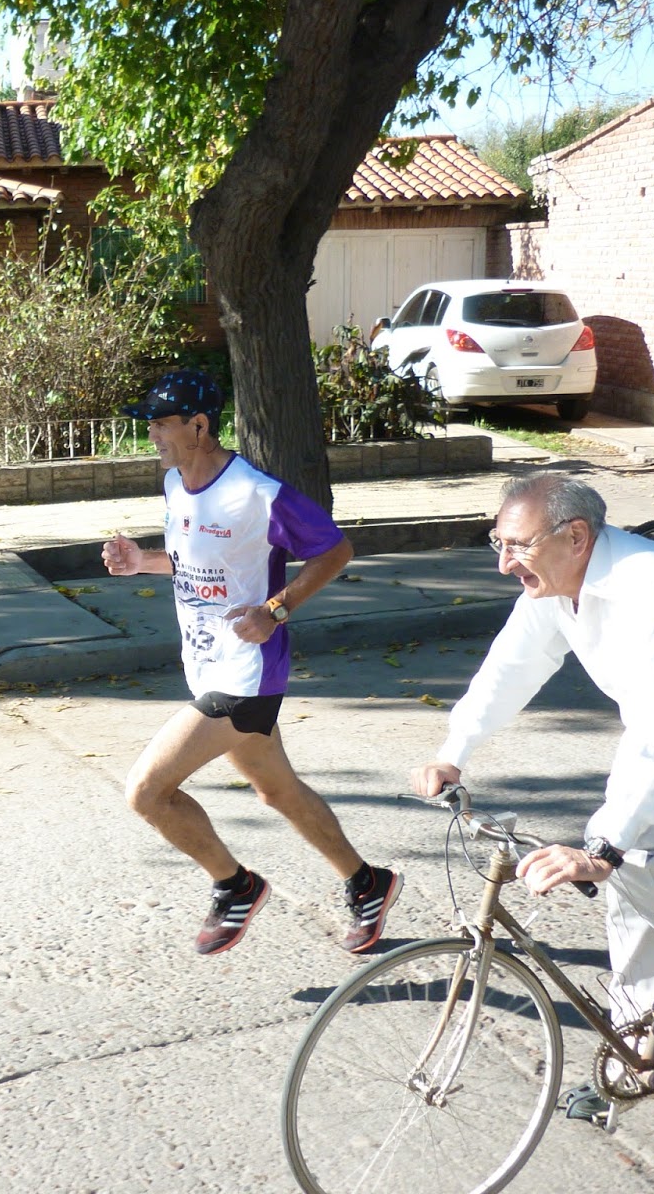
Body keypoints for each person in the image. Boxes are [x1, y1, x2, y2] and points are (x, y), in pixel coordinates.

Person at [409, 474, 654, 1114]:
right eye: (497, 542)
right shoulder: (554, 586)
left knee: (623, 839)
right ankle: (634, 1055)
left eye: (517, 545)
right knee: (625, 872)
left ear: (575, 536)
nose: (503, 563)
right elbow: (510, 667)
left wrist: (605, 846)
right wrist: (453, 752)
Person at [102, 369, 401, 957]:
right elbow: (195, 561)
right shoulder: (174, 483)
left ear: (199, 426)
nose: (152, 435)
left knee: (146, 792)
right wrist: (142, 561)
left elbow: (335, 550)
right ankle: (368, 883)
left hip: (247, 675)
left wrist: (276, 609)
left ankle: (235, 885)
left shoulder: (257, 493)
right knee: (277, 791)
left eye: (161, 424)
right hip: (205, 665)